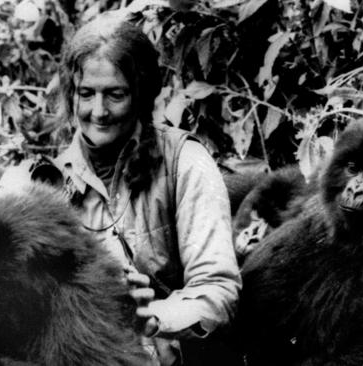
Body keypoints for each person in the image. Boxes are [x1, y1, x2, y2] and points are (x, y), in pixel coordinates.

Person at [52, 14, 241, 366]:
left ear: (141, 93)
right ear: (71, 95)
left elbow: (218, 289)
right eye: (86, 94)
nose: (99, 112)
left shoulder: (185, 162)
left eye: (115, 95)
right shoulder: (48, 183)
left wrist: (153, 318)